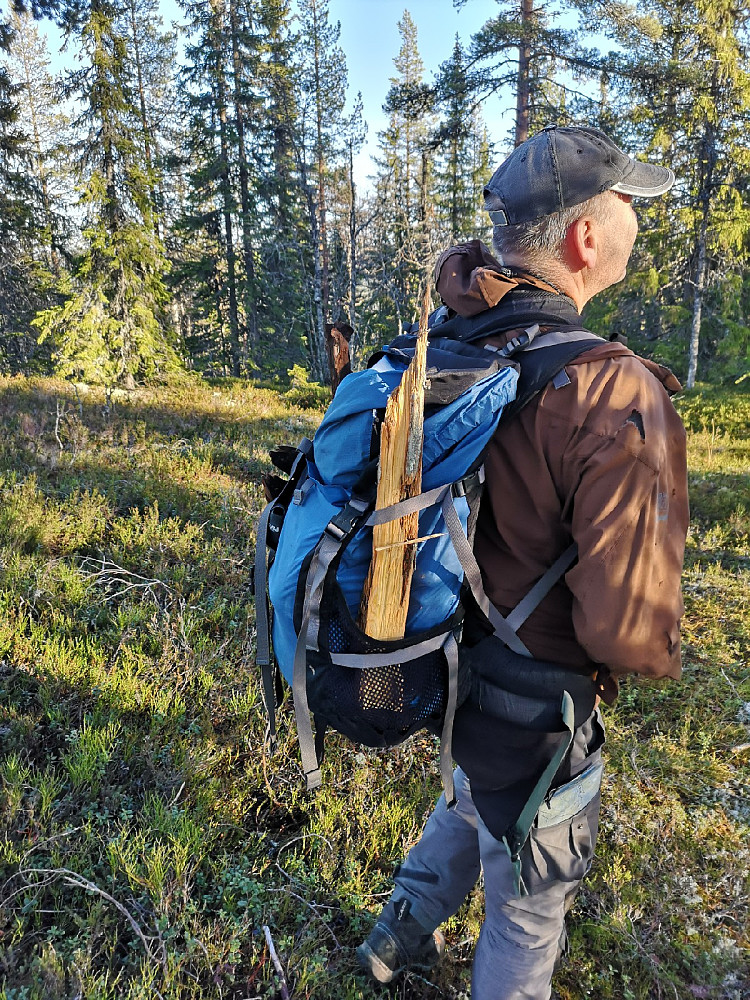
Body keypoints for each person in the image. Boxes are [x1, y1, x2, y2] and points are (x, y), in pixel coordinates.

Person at [356, 124, 689, 999]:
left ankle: (393, 937)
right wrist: (658, 655)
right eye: (627, 203)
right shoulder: (611, 389)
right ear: (584, 236)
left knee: (470, 796)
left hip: (445, 669)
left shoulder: (450, 340)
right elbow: (626, 633)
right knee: (526, 914)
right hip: (541, 708)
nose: (634, 219)